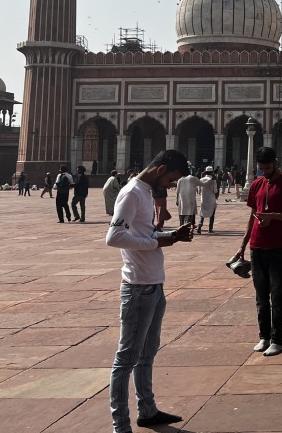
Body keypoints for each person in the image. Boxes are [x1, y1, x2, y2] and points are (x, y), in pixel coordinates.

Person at [106, 149, 194, 433]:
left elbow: (142, 235)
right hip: (137, 287)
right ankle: (121, 425)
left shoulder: (145, 193)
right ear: (161, 169)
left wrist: (170, 236)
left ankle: (148, 410)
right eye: (171, 180)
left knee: (147, 353)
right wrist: (158, 243)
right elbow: (114, 237)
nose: (170, 186)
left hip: (154, 283)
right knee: (126, 359)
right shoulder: (132, 193)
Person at [234, 147, 282, 357]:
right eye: (261, 168)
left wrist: (274, 216)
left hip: (277, 247)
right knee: (261, 296)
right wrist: (243, 244)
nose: (264, 171)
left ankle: (276, 339)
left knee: (277, 296)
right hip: (257, 246)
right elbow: (253, 215)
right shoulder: (257, 184)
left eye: (267, 167)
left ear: (275, 162)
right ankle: (264, 337)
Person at [196, 167, 217, 234]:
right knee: (212, 214)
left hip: (203, 199)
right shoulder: (213, 180)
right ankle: (210, 229)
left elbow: (199, 191)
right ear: (211, 172)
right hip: (211, 199)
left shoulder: (201, 179)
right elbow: (215, 190)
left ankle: (199, 226)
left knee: (202, 213)